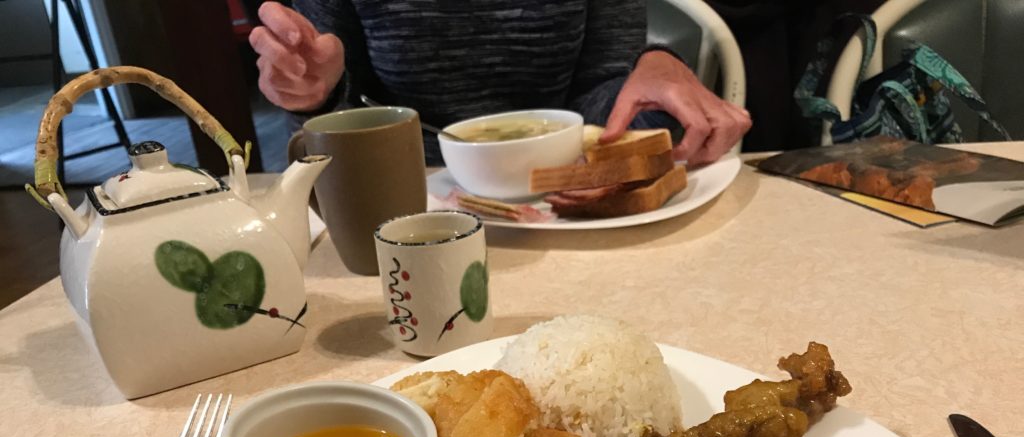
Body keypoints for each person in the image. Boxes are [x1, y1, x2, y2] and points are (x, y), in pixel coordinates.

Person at [250, 1, 751, 167]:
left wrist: (653, 68)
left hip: (557, 190)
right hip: (408, 188)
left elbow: (602, 94)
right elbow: (335, 116)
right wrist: (314, 94)